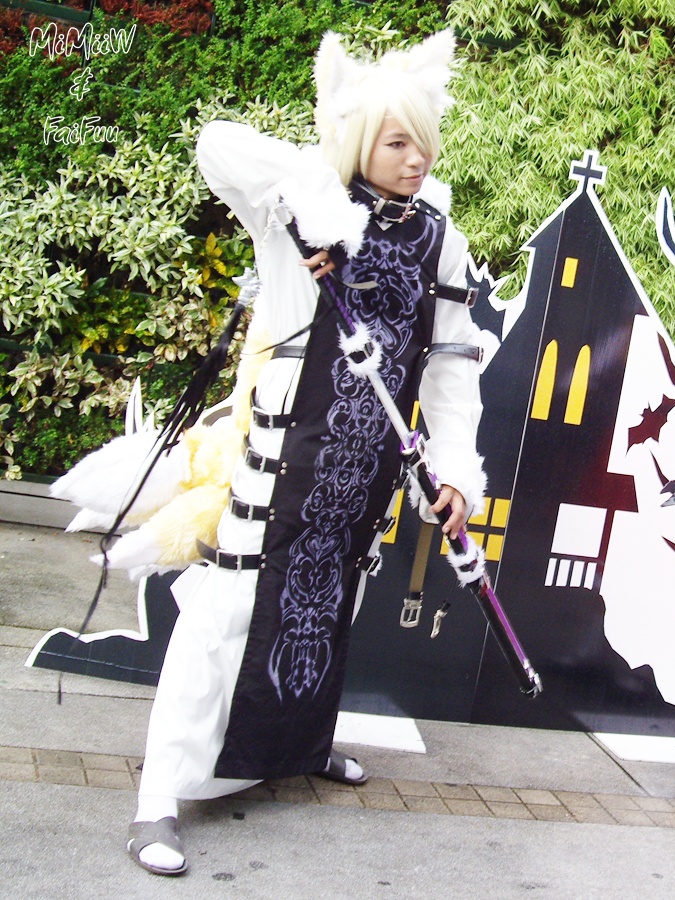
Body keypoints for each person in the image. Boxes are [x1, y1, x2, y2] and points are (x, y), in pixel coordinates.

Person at [122, 30, 486, 875]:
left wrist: (457, 474)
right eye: (396, 143)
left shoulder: (441, 238)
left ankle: (299, 746)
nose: (417, 159)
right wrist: (320, 192)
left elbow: (450, 367)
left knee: (330, 611)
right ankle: (157, 797)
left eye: (424, 143)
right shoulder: (293, 211)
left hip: (365, 473)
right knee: (223, 616)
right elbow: (216, 144)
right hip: (283, 460)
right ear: (358, 142)